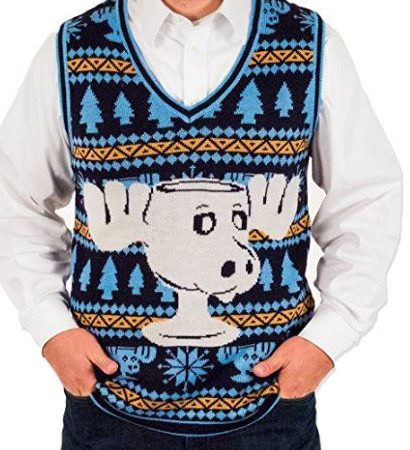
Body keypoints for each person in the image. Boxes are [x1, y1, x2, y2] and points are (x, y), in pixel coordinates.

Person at [0, 0, 402, 448]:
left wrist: (331, 335)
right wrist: (51, 327)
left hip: (268, 407)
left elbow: (367, 198)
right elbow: (14, 198)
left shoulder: (308, 43)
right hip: (109, 403)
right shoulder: (74, 48)